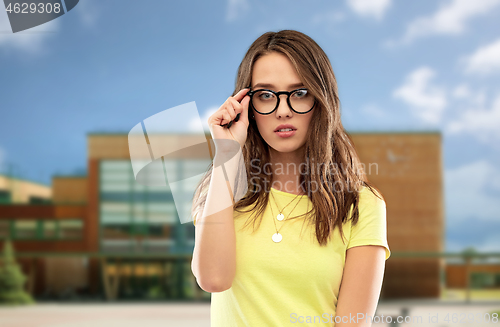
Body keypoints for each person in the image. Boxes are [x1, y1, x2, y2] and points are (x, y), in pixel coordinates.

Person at [191, 29, 390, 326]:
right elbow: (214, 278)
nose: (283, 111)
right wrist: (227, 153)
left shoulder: (360, 204)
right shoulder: (222, 189)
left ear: (321, 101)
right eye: (265, 95)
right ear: (248, 106)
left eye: (299, 93)